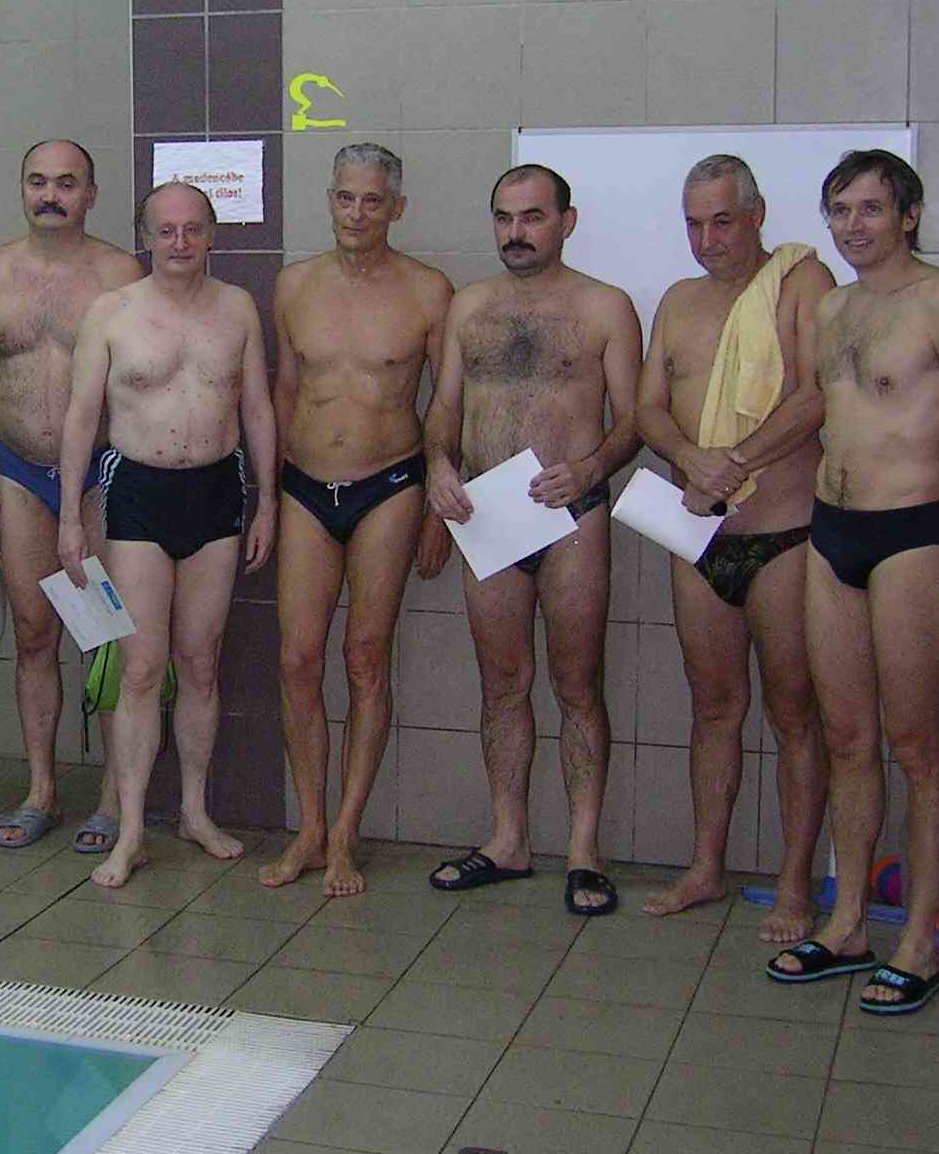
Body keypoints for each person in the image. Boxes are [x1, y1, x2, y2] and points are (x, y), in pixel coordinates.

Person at [767, 150, 939, 1015]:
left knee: (915, 743)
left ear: (908, 215)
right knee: (846, 738)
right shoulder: (834, 307)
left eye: (870, 209)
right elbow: (821, 411)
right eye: (839, 211)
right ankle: (846, 926)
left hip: (911, 535)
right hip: (831, 533)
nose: (852, 226)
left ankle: (918, 942)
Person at [423, 164, 642, 915]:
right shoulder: (469, 306)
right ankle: (508, 838)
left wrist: (590, 467)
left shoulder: (605, 306)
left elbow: (636, 419)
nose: (516, 232)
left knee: (578, 685)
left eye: (532, 217)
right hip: (488, 515)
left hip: (572, 514)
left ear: (566, 222)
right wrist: (438, 466)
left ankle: (584, 852)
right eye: (504, 217)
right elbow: (444, 407)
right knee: (502, 684)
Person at [635, 156, 835, 942]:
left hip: (786, 533)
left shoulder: (803, 284)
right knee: (714, 707)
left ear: (757, 214)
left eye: (722, 221)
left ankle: (794, 884)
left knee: (795, 713)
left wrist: (737, 461)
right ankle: (705, 867)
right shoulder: (677, 301)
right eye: (694, 224)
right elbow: (648, 409)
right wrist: (693, 459)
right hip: (698, 534)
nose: (708, 239)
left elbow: (817, 395)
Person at [56, 182, 276, 888]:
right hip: (138, 495)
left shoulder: (237, 308)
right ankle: (129, 831)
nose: (180, 242)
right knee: (142, 668)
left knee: (201, 663)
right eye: (166, 230)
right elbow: (81, 417)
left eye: (193, 229)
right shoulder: (112, 312)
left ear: (212, 234)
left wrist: (268, 502)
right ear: (144, 236)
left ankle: (194, 811)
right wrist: (69, 519)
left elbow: (258, 408)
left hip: (216, 493)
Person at [260, 143, 452, 896]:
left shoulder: (429, 291)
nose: (357, 213)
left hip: (390, 484)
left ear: (397, 207)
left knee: (366, 657)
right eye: (346, 197)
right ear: (330, 200)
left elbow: (447, 403)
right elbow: (284, 389)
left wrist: (439, 506)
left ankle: (346, 834)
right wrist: (270, 494)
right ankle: (310, 827)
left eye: (373, 200)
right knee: (296, 660)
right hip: (305, 486)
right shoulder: (293, 285)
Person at [0, 141, 143, 850]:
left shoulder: (119, 273)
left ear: (91, 194)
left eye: (67, 183)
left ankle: (113, 798)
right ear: (21, 188)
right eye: (38, 181)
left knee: (107, 636)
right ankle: (40, 788)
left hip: (99, 473)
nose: (51, 195)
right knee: (34, 633)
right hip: (18, 473)